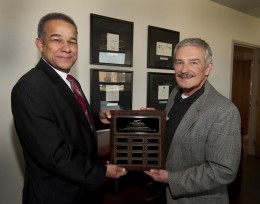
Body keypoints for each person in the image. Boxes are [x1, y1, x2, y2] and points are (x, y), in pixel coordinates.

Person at [11, 12, 126, 204]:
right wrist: (102, 172)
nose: (66, 48)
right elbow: (55, 155)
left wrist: (98, 118)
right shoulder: (29, 88)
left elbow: (69, 123)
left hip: (81, 192)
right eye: (57, 40)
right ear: (40, 44)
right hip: (56, 196)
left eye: (72, 42)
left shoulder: (70, 81)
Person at [144, 38, 241, 204]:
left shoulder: (224, 111)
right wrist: (157, 119)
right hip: (163, 194)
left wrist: (170, 178)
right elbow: (178, 130)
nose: (184, 70)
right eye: (179, 62)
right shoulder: (175, 93)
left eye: (193, 62)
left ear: (208, 68)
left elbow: (223, 170)